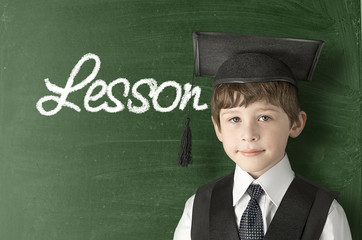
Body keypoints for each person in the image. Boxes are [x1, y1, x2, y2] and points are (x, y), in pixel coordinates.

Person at [174, 32, 352, 240]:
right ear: (218, 128)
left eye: (264, 117)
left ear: (296, 123)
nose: (248, 135)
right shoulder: (197, 208)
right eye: (234, 119)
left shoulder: (325, 213)